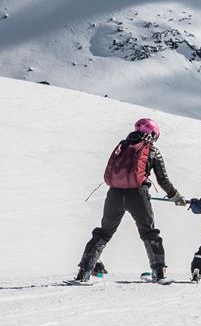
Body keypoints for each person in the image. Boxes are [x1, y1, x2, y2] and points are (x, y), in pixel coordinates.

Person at [74, 118, 186, 283]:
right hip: (138, 195)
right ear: (153, 134)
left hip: (115, 194)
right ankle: (158, 273)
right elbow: (163, 180)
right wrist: (176, 196)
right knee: (149, 232)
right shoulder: (152, 151)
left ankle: (84, 272)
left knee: (104, 232)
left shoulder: (123, 146)